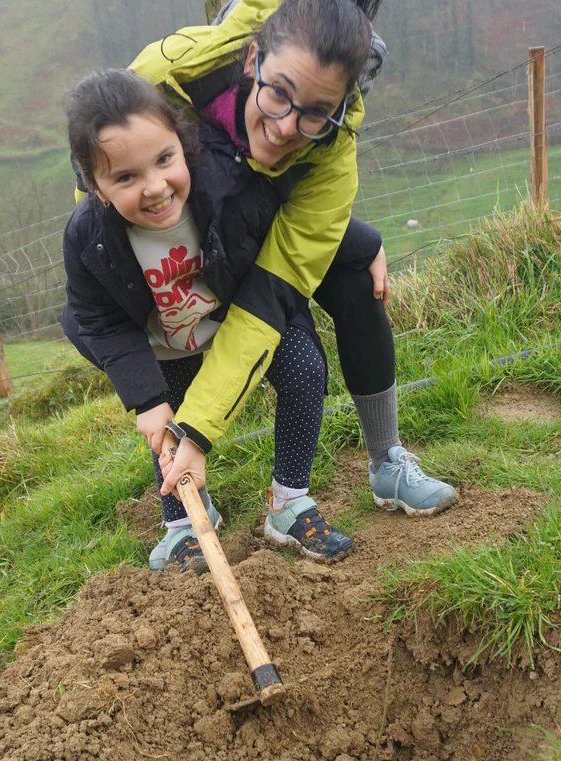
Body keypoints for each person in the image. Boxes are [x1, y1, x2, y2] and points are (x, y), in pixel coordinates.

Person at [127, 0, 458, 521]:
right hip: (185, 233)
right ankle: (181, 505)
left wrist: (198, 431)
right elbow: (103, 199)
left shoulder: (332, 154)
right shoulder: (163, 81)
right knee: (172, 327)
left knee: (358, 279)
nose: (285, 129)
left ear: (341, 108)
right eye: (278, 93)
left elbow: (269, 298)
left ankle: (386, 460)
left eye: (316, 114)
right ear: (252, 59)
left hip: (267, 228)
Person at [62, 67, 355, 570]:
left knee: (305, 370)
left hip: (241, 318)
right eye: (126, 177)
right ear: (96, 187)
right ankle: (184, 526)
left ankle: (289, 503)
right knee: (168, 426)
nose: (155, 188)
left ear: (183, 141)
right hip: (165, 343)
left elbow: (301, 217)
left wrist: (363, 249)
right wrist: (146, 400)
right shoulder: (89, 236)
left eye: (164, 159)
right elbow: (99, 320)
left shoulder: (228, 183)